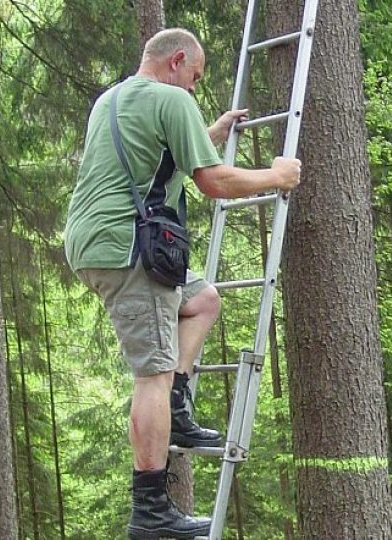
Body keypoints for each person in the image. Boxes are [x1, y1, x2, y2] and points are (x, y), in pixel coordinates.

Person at [64, 28, 301, 540]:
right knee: (152, 371)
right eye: (194, 78)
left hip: (95, 241)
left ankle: (177, 403)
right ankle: (149, 510)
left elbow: (154, 152)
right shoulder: (173, 99)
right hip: (128, 249)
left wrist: (208, 130)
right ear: (176, 62)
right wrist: (278, 176)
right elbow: (214, 183)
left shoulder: (114, 98)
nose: (193, 89)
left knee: (203, 301)